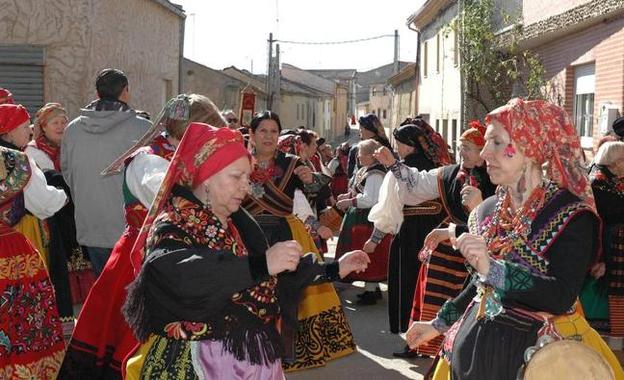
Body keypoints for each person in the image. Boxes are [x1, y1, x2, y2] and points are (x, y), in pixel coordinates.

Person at [121, 123, 369, 379]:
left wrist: (334, 268)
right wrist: (261, 265)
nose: (246, 187)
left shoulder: (236, 221)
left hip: (248, 356)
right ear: (206, 178)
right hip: (202, 360)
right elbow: (182, 274)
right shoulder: (174, 223)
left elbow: (272, 273)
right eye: (236, 177)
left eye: (247, 178)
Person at [406, 98, 624, 380]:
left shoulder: (571, 215)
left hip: (537, 357)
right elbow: (481, 285)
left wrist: (493, 269)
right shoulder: (488, 211)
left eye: (496, 142)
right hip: (473, 353)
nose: (484, 153)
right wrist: (438, 324)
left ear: (531, 146)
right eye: (486, 143)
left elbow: (560, 295)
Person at [59, 94, 226, 379]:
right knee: (136, 341)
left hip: (178, 256)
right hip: (143, 258)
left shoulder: (181, 156)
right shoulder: (149, 160)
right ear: (191, 129)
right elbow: (167, 197)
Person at [243, 111, 357, 371]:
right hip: (248, 236)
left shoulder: (291, 164)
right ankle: (250, 353)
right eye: (263, 131)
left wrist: (310, 180)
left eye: (274, 131)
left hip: (281, 236)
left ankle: (281, 355)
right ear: (251, 134)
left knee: (286, 295)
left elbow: (313, 197)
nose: (269, 136)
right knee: (249, 295)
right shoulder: (240, 162)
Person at [374, 118, 494, 357]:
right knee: (438, 297)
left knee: (472, 301)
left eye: (468, 148)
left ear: (483, 150)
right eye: (460, 147)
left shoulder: (497, 178)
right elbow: (417, 183)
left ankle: (464, 349)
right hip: (448, 250)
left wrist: (480, 205)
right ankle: (430, 343)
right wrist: (393, 165)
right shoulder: (450, 174)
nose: (462, 153)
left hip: (480, 249)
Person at [364, 121, 448, 351]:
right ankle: (432, 338)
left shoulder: (398, 172)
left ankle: (412, 341)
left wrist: (375, 239)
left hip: (410, 235)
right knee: (431, 286)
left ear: (408, 146)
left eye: (399, 144)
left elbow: (389, 209)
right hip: (436, 234)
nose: (397, 149)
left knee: (409, 287)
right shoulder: (438, 166)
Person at [0, 105, 68, 378]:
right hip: (8, 250)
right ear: (8, 130)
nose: (28, 131)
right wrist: (64, 193)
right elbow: (45, 204)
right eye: (24, 126)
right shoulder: (15, 160)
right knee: (19, 320)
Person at [61, 68, 151, 275]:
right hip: (132, 228)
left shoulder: (72, 130)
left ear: (97, 93)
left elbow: (68, 174)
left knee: (103, 291)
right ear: (125, 91)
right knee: (132, 296)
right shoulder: (143, 128)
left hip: (91, 222)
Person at [23, 102, 78, 340]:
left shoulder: (68, 146)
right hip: (49, 212)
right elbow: (48, 187)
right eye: (55, 122)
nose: (61, 126)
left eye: (64, 121)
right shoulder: (33, 153)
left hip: (65, 210)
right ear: (42, 127)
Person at [335, 139, 388, 305]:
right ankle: (372, 289)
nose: (358, 156)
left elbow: (370, 200)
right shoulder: (367, 171)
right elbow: (360, 191)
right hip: (361, 217)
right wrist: (348, 196)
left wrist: (349, 202)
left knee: (368, 254)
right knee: (366, 253)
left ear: (371, 156)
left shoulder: (375, 175)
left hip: (367, 220)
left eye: (361, 153)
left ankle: (371, 291)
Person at [588, 141, 624, 337]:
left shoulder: (613, 180)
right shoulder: (599, 182)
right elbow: (614, 211)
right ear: (616, 162)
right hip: (606, 248)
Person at [347, 113, 392, 178]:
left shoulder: (357, 149)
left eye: (361, 128)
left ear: (367, 129)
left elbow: (350, 174)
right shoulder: (386, 145)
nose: (360, 131)